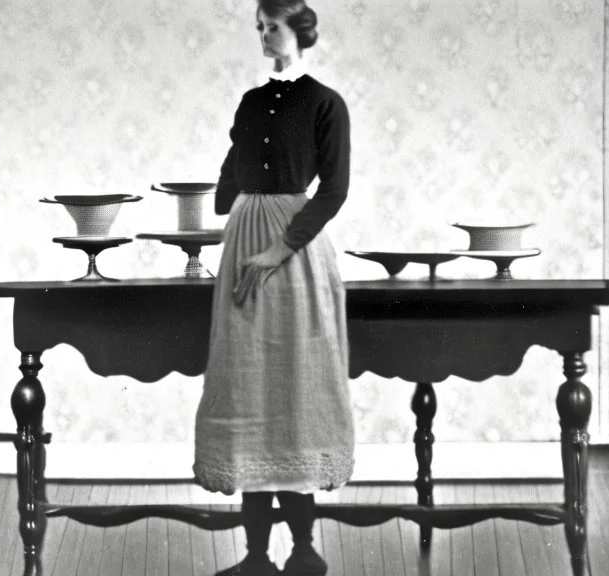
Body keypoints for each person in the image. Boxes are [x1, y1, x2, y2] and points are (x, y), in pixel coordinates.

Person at [192, 0, 355, 574]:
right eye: (259, 28)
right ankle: (256, 555)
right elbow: (228, 176)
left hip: (295, 251)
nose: (265, 36)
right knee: (246, 389)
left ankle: (305, 552)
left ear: (302, 31)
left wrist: (277, 247)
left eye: (274, 26)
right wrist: (220, 208)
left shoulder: (325, 103)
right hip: (243, 243)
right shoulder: (251, 103)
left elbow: (333, 192)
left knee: (296, 388)